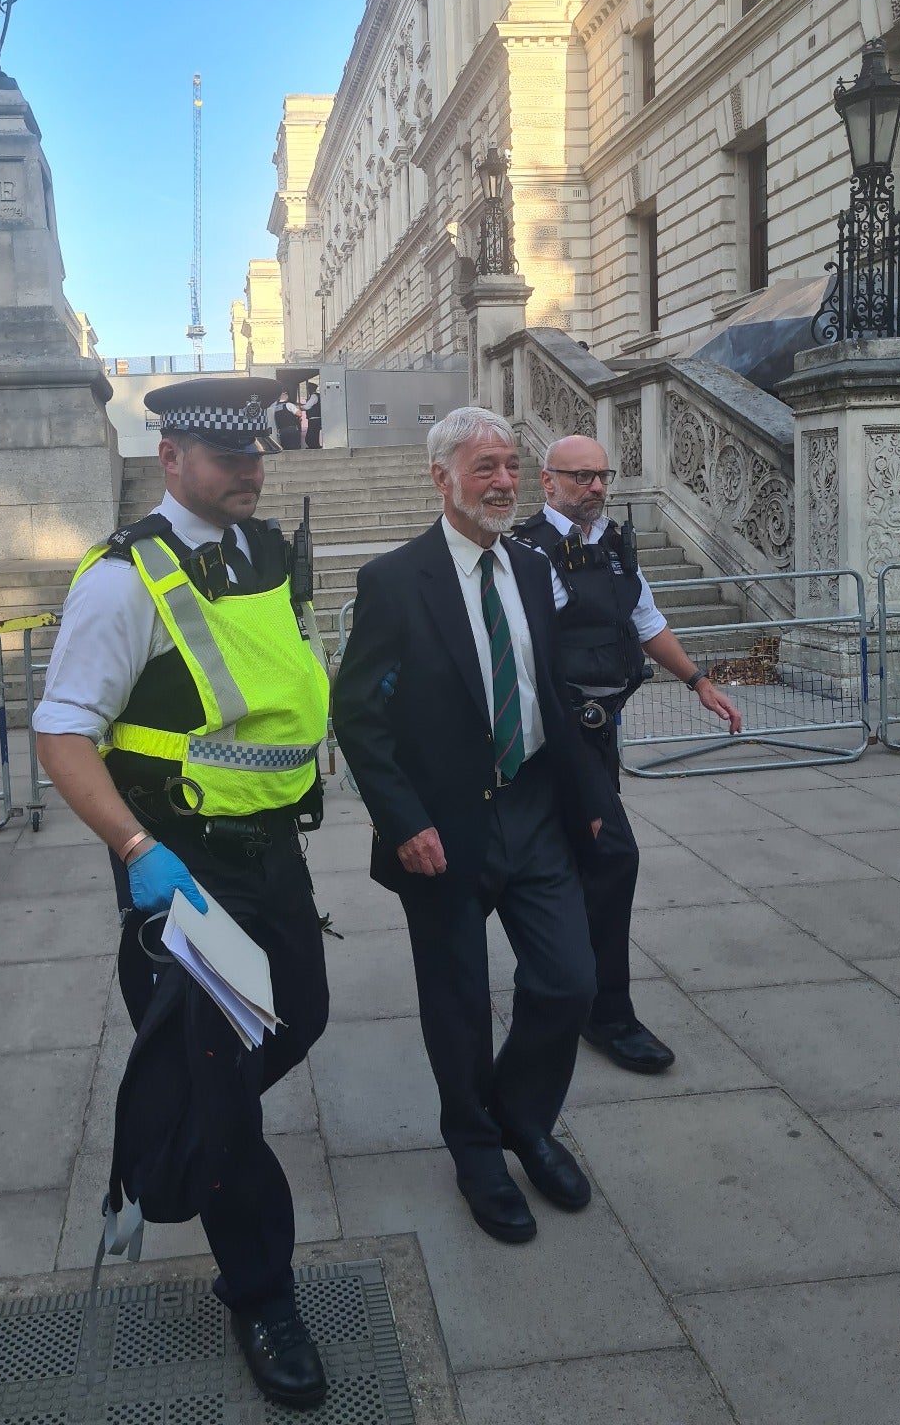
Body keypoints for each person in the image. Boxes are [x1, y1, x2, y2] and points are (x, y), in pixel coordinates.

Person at [33, 376, 332, 1409]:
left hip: (273, 856)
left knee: (298, 1021)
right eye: (224, 454)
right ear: (169, 458)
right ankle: (261, 1291)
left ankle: (164, 1145)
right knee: (226, 1095)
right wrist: (133, 846)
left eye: (257, 450)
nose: (250, 467)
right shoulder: (122, 580)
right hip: (184, 873)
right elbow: (61, 733)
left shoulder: (263, 551)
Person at [332, 407, 603, 1246]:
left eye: (512, 466)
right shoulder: (393, 580)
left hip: (530, 809)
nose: (504, 482)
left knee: (569, 983)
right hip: (443, 830)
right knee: (456, 1002)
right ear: (441, 477)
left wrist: (589, 798)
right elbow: (358, 718)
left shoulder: (526, 569)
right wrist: (402, 820)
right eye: (485, 466)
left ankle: (522, 1118)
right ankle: (476, 1149)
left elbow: (545, 690)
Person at [514, 435, 742, 1073]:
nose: (595, 488)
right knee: (612, 855)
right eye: (581, 477)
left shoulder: (615, 547)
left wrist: (699, 681)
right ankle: (605, 1011)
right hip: (554, 733)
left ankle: (563, 988)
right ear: (548, 480)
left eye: (602, 477)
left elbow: (647, 624)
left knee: (579, 861)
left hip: (601, 732)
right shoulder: (525, 551)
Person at [303, 384, 322, 449]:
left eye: (308, 389)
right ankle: (315, 446)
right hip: (317, 418)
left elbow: (307, 407)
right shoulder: (318, 396)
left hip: (314, 419)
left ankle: (314, 447)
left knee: (311, 435)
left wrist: (300, 407)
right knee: (315, 434)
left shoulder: (314, 396)